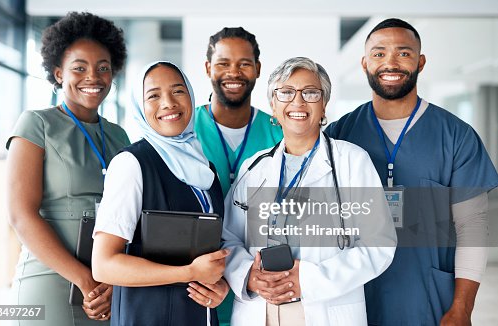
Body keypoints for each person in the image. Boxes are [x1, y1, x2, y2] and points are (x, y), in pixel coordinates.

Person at [325, 18, 498, 325]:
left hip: (429, 301)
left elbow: (472, 227)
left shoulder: (456, 135)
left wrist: (462, 308)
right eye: (379, 54)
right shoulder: (340, 134)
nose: (390, 62)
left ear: (420, 62)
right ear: (364, 63)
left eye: (403, 53)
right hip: (353, 301)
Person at [223, 57, 397, 325]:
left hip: (325, 307)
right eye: (286, 93)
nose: (298, 102)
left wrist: (307, 280)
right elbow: (228, 237)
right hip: (260, 309)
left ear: (324, 104)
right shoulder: (254, 168)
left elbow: (379, 243)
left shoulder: (351, 161)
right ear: (273, 105)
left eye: (310, 93)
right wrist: (249, 275)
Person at [6, 12, 129, 324]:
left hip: (106, 287)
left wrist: (110, 281)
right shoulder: (37, 124)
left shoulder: (119, 136)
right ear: (59, 73)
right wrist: (86, 281)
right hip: (50, 280)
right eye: (80, 68)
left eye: (104, 68)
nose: (94, 77)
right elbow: (21, 216)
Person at [91, 61, 230, 326]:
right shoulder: (131, 164)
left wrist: (220, 286)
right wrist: (188, 272)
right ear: (139, 107)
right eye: (153, 95)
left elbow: (208, 252)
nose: (168, 103)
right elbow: (104, 264)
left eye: (178, 91)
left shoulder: (204, 169)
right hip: (147, 317)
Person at [195, 27, 283, 197]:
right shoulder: (187, 129)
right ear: (208, 68)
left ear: (257, 68)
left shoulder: (279, 132)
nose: (234, 72)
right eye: (223, 64)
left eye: (244, 64)